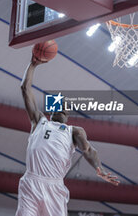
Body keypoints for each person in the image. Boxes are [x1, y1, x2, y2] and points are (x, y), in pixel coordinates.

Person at [16, 55, 120, 216]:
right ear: (52, 110)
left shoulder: (74, 131)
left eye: (65, 105)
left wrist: (99, 168)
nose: (62, 106)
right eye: (59, 104)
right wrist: (33, 64)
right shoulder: (39, 121)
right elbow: (25, 89)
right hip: (31, 182)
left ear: (68, 113)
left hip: (54, 187)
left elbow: (88, 150)